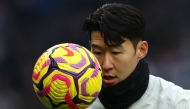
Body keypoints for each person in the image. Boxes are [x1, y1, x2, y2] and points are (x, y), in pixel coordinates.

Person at [82, 3, 190, 109]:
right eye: (97, 52)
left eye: (115, 52)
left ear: (141, 50)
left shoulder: (180, 104)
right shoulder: (75, 103)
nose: (106, 65)